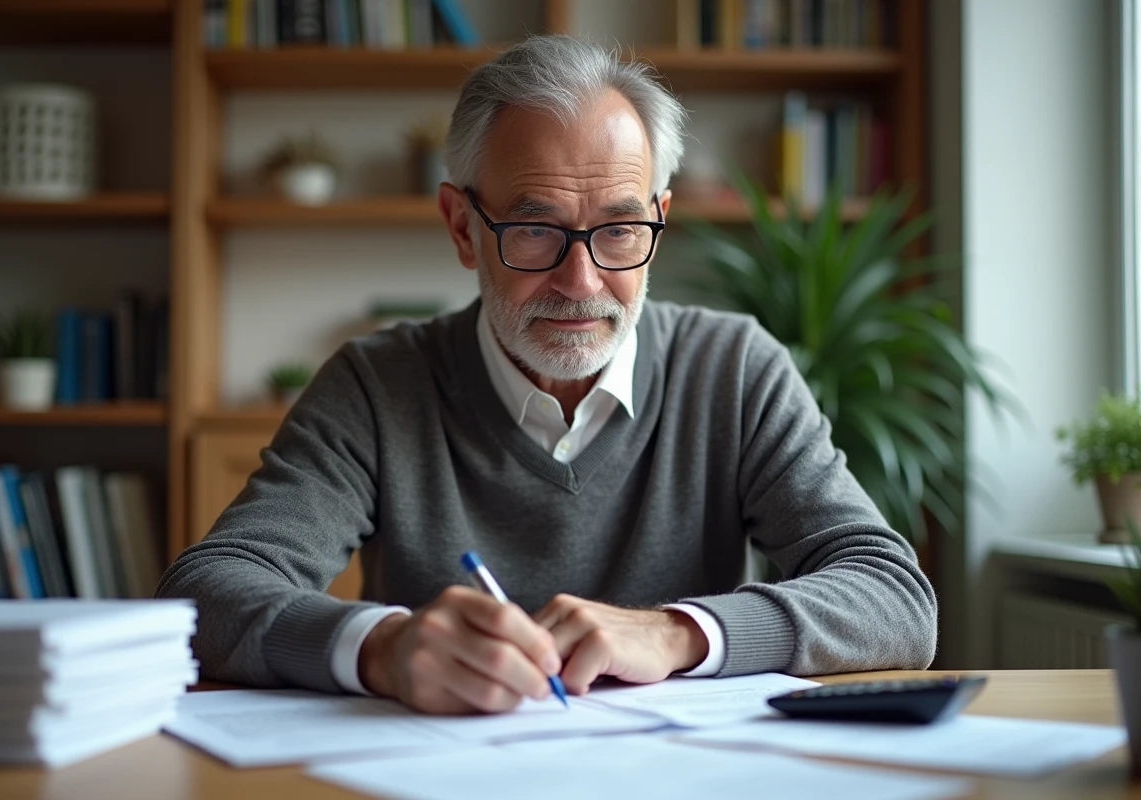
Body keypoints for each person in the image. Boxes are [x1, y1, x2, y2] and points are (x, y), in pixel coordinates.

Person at [157, 35, 937, 716]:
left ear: (657, 225)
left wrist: (677, 632)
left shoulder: (735, 369)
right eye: (534, 229)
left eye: (621, 229)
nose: (582, 281)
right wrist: (380, 647)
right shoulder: (377, 383)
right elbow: (207, 593)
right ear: (463, 227)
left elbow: (894, 598)